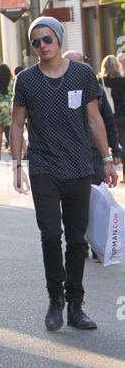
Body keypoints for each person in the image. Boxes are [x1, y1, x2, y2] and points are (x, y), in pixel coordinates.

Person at [10, 16, 118, 332]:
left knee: (76, 239)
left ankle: (76, 305)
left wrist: (108, 158)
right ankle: (55, 300)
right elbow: (17, 124)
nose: (42, 46)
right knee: (49, 233)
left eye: (47, 39)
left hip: (80, 166)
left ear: (58, 39)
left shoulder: (83, 74)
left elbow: (95, 120)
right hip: (43, 165)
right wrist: (17, 164)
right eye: (36, 42)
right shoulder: (26, 81)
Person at [64, 50, 122, 261]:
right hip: (68, 156)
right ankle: (79, 241)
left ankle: (98, 244)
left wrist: (114, 151)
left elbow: (108, 121)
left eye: (77, 64)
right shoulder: (56, 90)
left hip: (95, 154)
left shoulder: (95, 90)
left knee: (97, 200)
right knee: (75, 201)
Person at [98, 55, 125, 182]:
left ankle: (109, 160)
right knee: (123, 142)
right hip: (122, 115)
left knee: (106, 138)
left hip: (107, 116)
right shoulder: (122, 80)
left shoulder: (100, 81)